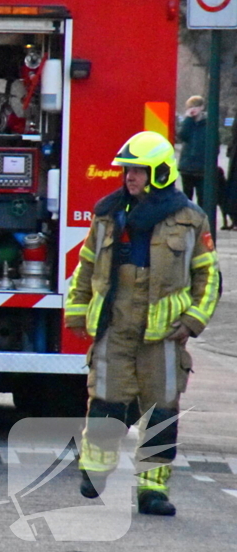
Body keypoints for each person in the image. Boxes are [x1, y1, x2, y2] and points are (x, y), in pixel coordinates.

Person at [65, 130, 219, 516]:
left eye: (138, 171)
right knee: (106, 401)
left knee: (160, 412)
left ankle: (153, 490)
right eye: (127, 170)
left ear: (161, 174)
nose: (129, 177)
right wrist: (77, 310)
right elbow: (86, 267)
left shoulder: (191, 219)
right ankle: (94, 471)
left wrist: (192, 322)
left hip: (164, 335)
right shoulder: (108, 214)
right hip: (115, 326)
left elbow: (208, 277)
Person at [176, 95, 207, 206]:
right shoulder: (188, 123)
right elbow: (183, 136)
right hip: (187, 168)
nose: (193, 109)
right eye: (190, 107)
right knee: (186, 199)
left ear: (202, 107)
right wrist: (188, 119)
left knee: (202, 199)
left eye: (195, 106)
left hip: (202, 169)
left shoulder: (207, 124)